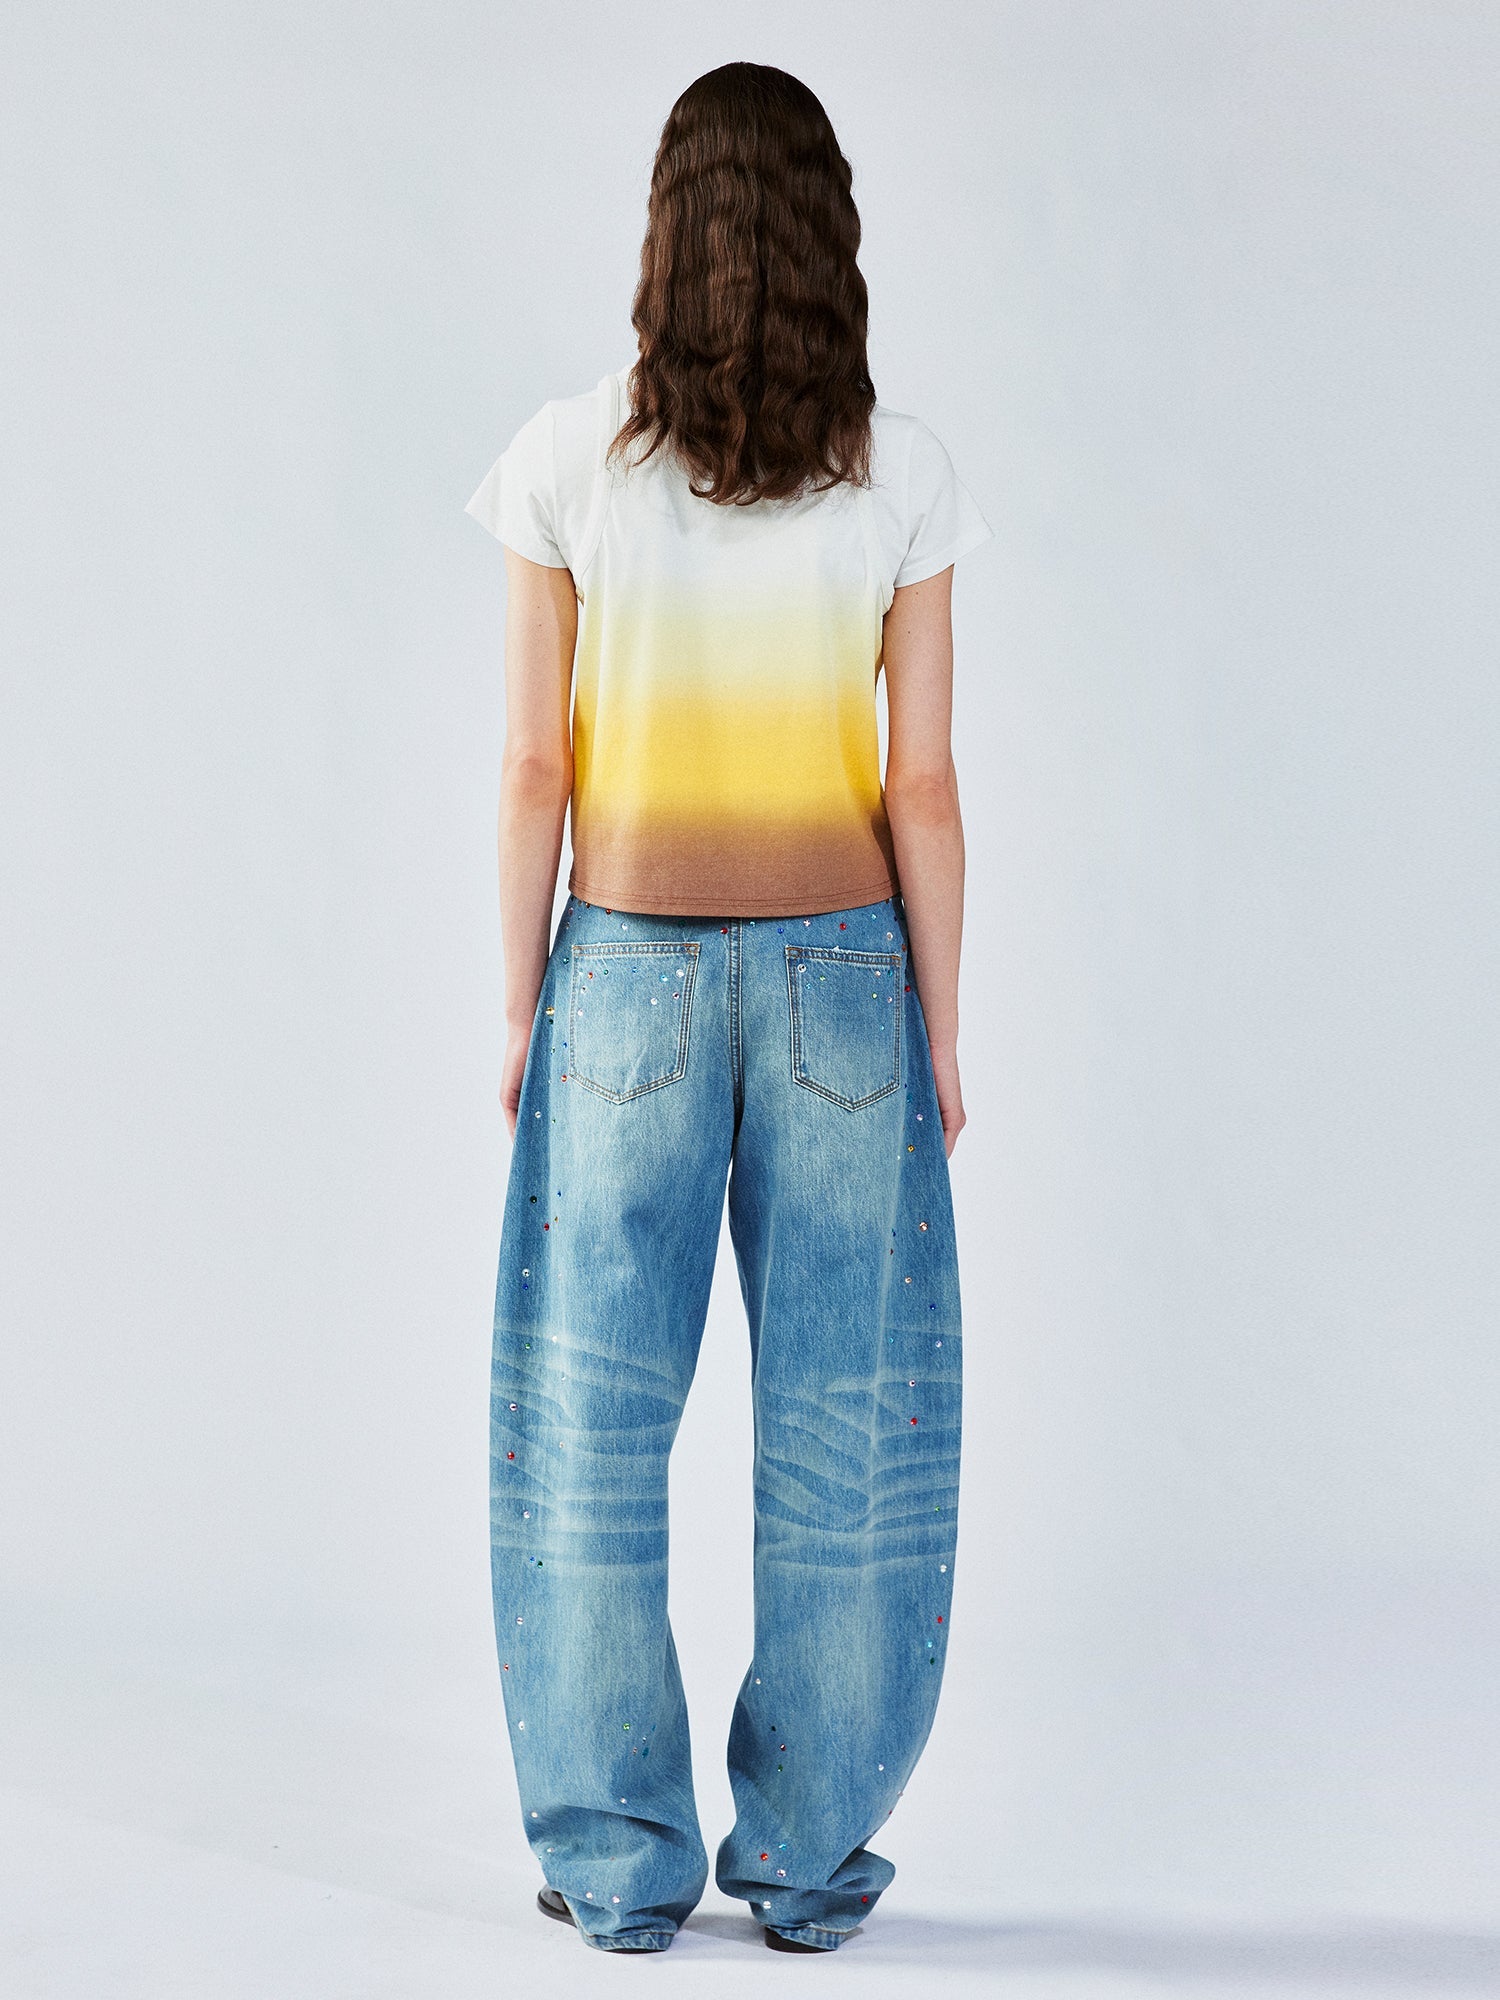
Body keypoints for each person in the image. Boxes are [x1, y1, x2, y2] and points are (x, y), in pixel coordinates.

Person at [463, 61, 992, 1955]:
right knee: (851, 1426)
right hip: (848, 974)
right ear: (833, 241)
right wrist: (940, 1026)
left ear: (664, 238)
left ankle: (615, 1863)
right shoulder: (900, 474)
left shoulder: (565, 464)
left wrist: (519, 1004)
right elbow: (921, 785)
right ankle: (810, 1861)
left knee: (586, 1425)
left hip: (624, 968)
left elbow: (537, 766)